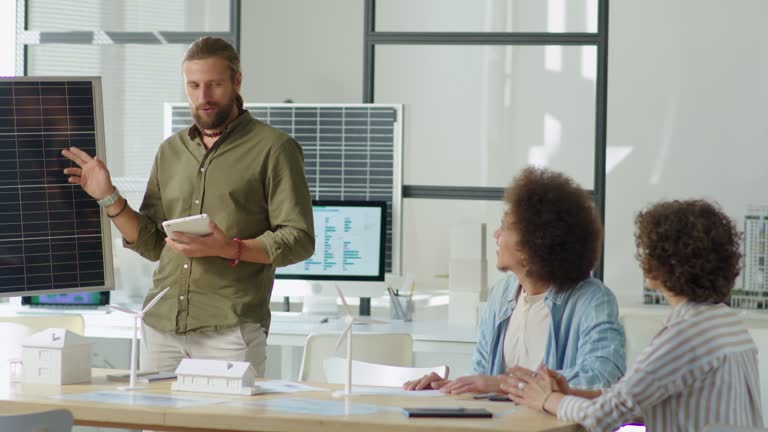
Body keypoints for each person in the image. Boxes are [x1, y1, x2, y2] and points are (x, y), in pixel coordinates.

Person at [61, 37, 314, 376]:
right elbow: (153, 244)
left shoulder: (275, 149)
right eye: (193, 85)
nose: (203, 97)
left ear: (237, 81)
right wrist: (109, 196)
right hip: (160, 326)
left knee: (223, 429)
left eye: (214, 85)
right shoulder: (171, 150)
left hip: (229, 329)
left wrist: (229, 248)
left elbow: (299, 238)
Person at [504, 199, 762, 432]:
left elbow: (604, 418)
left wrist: (549, 400)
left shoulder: (685, 335)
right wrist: (573, 393)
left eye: (648, 251)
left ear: (667, 263)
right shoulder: (726, 324)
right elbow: (639, 402)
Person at [403, 167, 625, 394]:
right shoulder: (501, 294)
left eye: (504, 227)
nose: (496, 235)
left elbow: (601, 377)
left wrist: (505, 385)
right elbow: (483, 375)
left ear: (535, 243)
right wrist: (449, 386)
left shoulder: (592, 299)